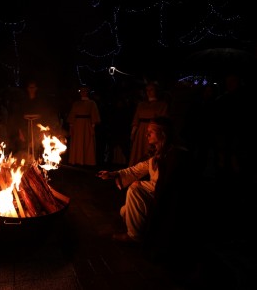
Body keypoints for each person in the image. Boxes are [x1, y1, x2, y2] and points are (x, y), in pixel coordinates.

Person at [96, 116, 198, 256]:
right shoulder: (156, 153)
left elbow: (172, 186)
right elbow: (135, 170)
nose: (146, 134)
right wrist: (112, 174)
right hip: (155, 192)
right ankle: (142, 227)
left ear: (163, 133)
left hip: (167, 199)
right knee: (124, 211)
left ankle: (134, 237)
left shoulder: (175, 155)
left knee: (135, 188)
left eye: (151, 131)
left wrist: (141, 185)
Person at [14, 80, 60, 161]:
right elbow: (19, 116)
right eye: (30, 87)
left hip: (37, 126)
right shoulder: (24, 101)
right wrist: (20, 131)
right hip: (25, 126)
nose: (31, 89)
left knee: (35, 145)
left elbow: (44, 114)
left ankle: (35, 164)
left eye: (33, 87)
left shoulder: (39, 101)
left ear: (36, 89)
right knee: (25, 146)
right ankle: (25, 165)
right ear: (27, 89)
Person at [128, 80, 169, 166]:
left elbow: (163, 120)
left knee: (150, 150)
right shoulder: (141, 105)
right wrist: (133, 133)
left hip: (153, 130)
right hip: (141, 131)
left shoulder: (162, 105)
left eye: (151, 90)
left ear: (156, 91)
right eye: (147, 90)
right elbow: (136, 119)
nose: (149, 92)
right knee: (139, 150)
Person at [66, 85, 101, 166]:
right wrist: (71, 126)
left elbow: (94, 115)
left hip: (86, 125)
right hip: (77, 126)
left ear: (87, 92)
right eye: (81, 91)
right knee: (77, 143)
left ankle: (87, 161)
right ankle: (76, 160)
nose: (83, 93)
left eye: (85, 91)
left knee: (86, 142)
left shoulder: (92, 103)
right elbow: (72, 115)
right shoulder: (76, 103)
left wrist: (92, 127)